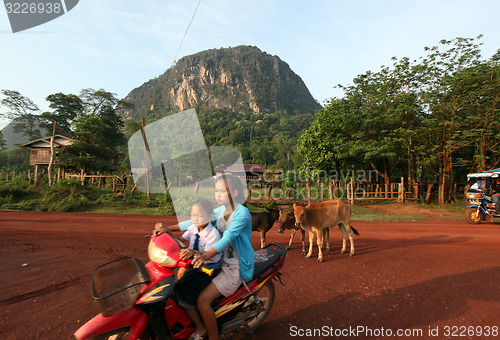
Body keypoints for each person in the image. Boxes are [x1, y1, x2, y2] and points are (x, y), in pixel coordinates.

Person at [154, 174, 254, 340]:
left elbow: (229, 237)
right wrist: (168, 228)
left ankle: (212, 336)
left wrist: (203, 255)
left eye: (222, 191)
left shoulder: (241, 213)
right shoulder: (221, 210)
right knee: (182, 283)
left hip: (236, 266)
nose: (218, 194)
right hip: (218, 260)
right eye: (217, 191)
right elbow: (197, 220)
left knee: (203, 301)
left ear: (235, 193)